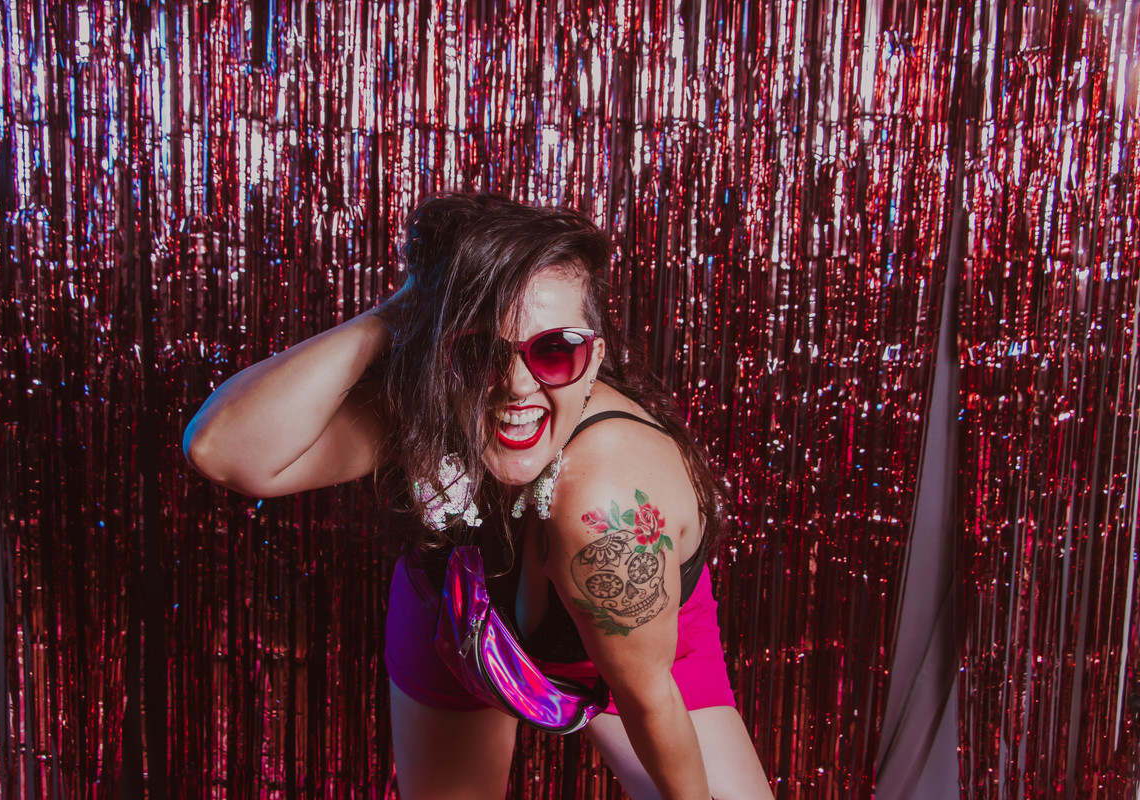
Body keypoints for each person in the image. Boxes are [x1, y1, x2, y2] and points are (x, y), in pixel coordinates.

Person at [183, 193, 772, 799]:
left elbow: (650, 700)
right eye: (477, 350)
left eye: (555, 350)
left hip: (638, 645)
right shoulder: (428, 400)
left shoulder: (607, 503)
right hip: (452, 622)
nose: (517, 387)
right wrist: (403, 310)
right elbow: (221, 451)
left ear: (593, 357)